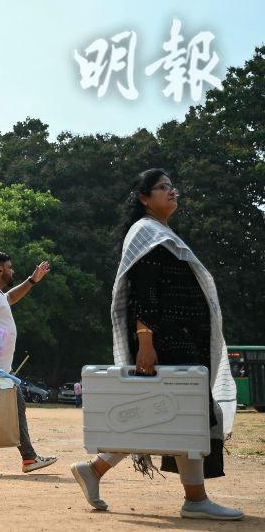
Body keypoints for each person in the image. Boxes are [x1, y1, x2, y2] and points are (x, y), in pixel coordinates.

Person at [70, 168, 243, 520]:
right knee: (187, 414)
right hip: (164, 342)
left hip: (179, 339)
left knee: (161, 414)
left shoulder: (162, 232)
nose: (172, 191)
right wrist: (146, 343)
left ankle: (95, 469)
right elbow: (143, 293)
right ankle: (195, 499)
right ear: (144, 197)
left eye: (172, 186)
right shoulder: (146, 232)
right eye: (163, 187)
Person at [0, 251, 57, 475]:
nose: (12, 271)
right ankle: (26, 458)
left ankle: (21, 458)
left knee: (5, 407)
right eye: (9, 267)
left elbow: (11, 298)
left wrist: (32, 280)